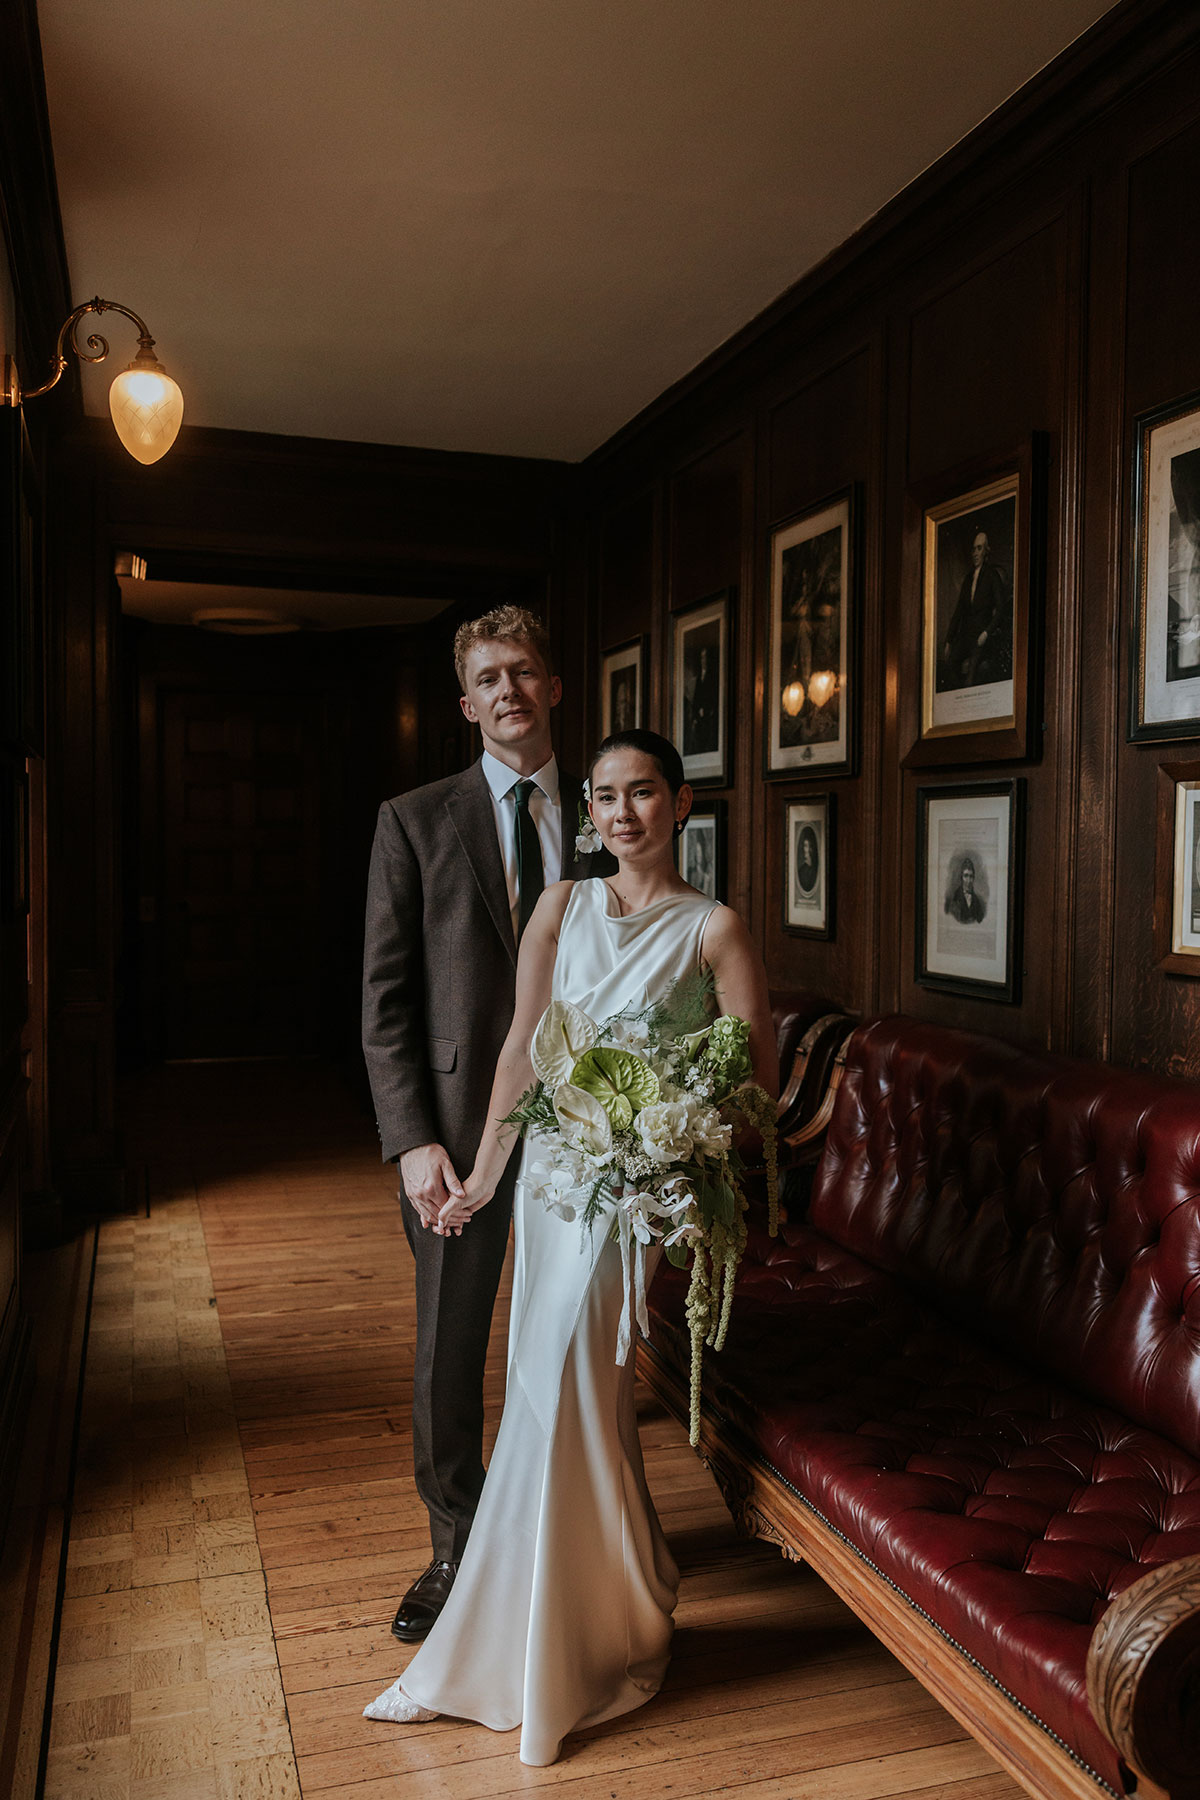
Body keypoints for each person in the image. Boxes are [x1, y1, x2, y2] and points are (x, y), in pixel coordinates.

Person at [363, 728, 777, 1764]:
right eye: (603, 797)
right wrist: (487, 1179)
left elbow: (748, 1084)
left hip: (632, 1197)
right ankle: (624, 1596)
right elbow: (522, 1053)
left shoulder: (715, 929)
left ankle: (553, 1642)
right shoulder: (561, 906)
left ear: (683, 804)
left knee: (563, 1385)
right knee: (550, 1392)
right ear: (586, 811)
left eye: (643, 793)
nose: (621, 813)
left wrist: (672, 1138)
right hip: (553, 1184)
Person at [362, 605, 612, 1647]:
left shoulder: (610, 816)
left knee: (570, 1332)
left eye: (524, 672)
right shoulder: (414, 819)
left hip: (588, 1122)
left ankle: (570, 1530)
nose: (509, 690)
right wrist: (414, 1138)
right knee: (448, 1342)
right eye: (489, 680)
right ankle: (454, 1539)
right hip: (459, 1131)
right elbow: (385, 1002)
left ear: (554, 687)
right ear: (467, 706)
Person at [939, 529, 1010, 689]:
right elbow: (959, 611)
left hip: (981, 637)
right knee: (949, 666)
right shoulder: (968, 578)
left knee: (971, 678)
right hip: (965, 636)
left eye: (979, 548)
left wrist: (986, 632)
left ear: (986, 551)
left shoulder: (992, 576)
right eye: (973, 549)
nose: (975, 553)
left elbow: (1001, 609)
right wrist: (949, 640)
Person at [947, 856, 986, 924]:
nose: (968, 881)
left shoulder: (978, 902)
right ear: (961, 878)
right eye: (966, 876)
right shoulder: (954, 899)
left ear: (973, 879)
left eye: (971, 876)